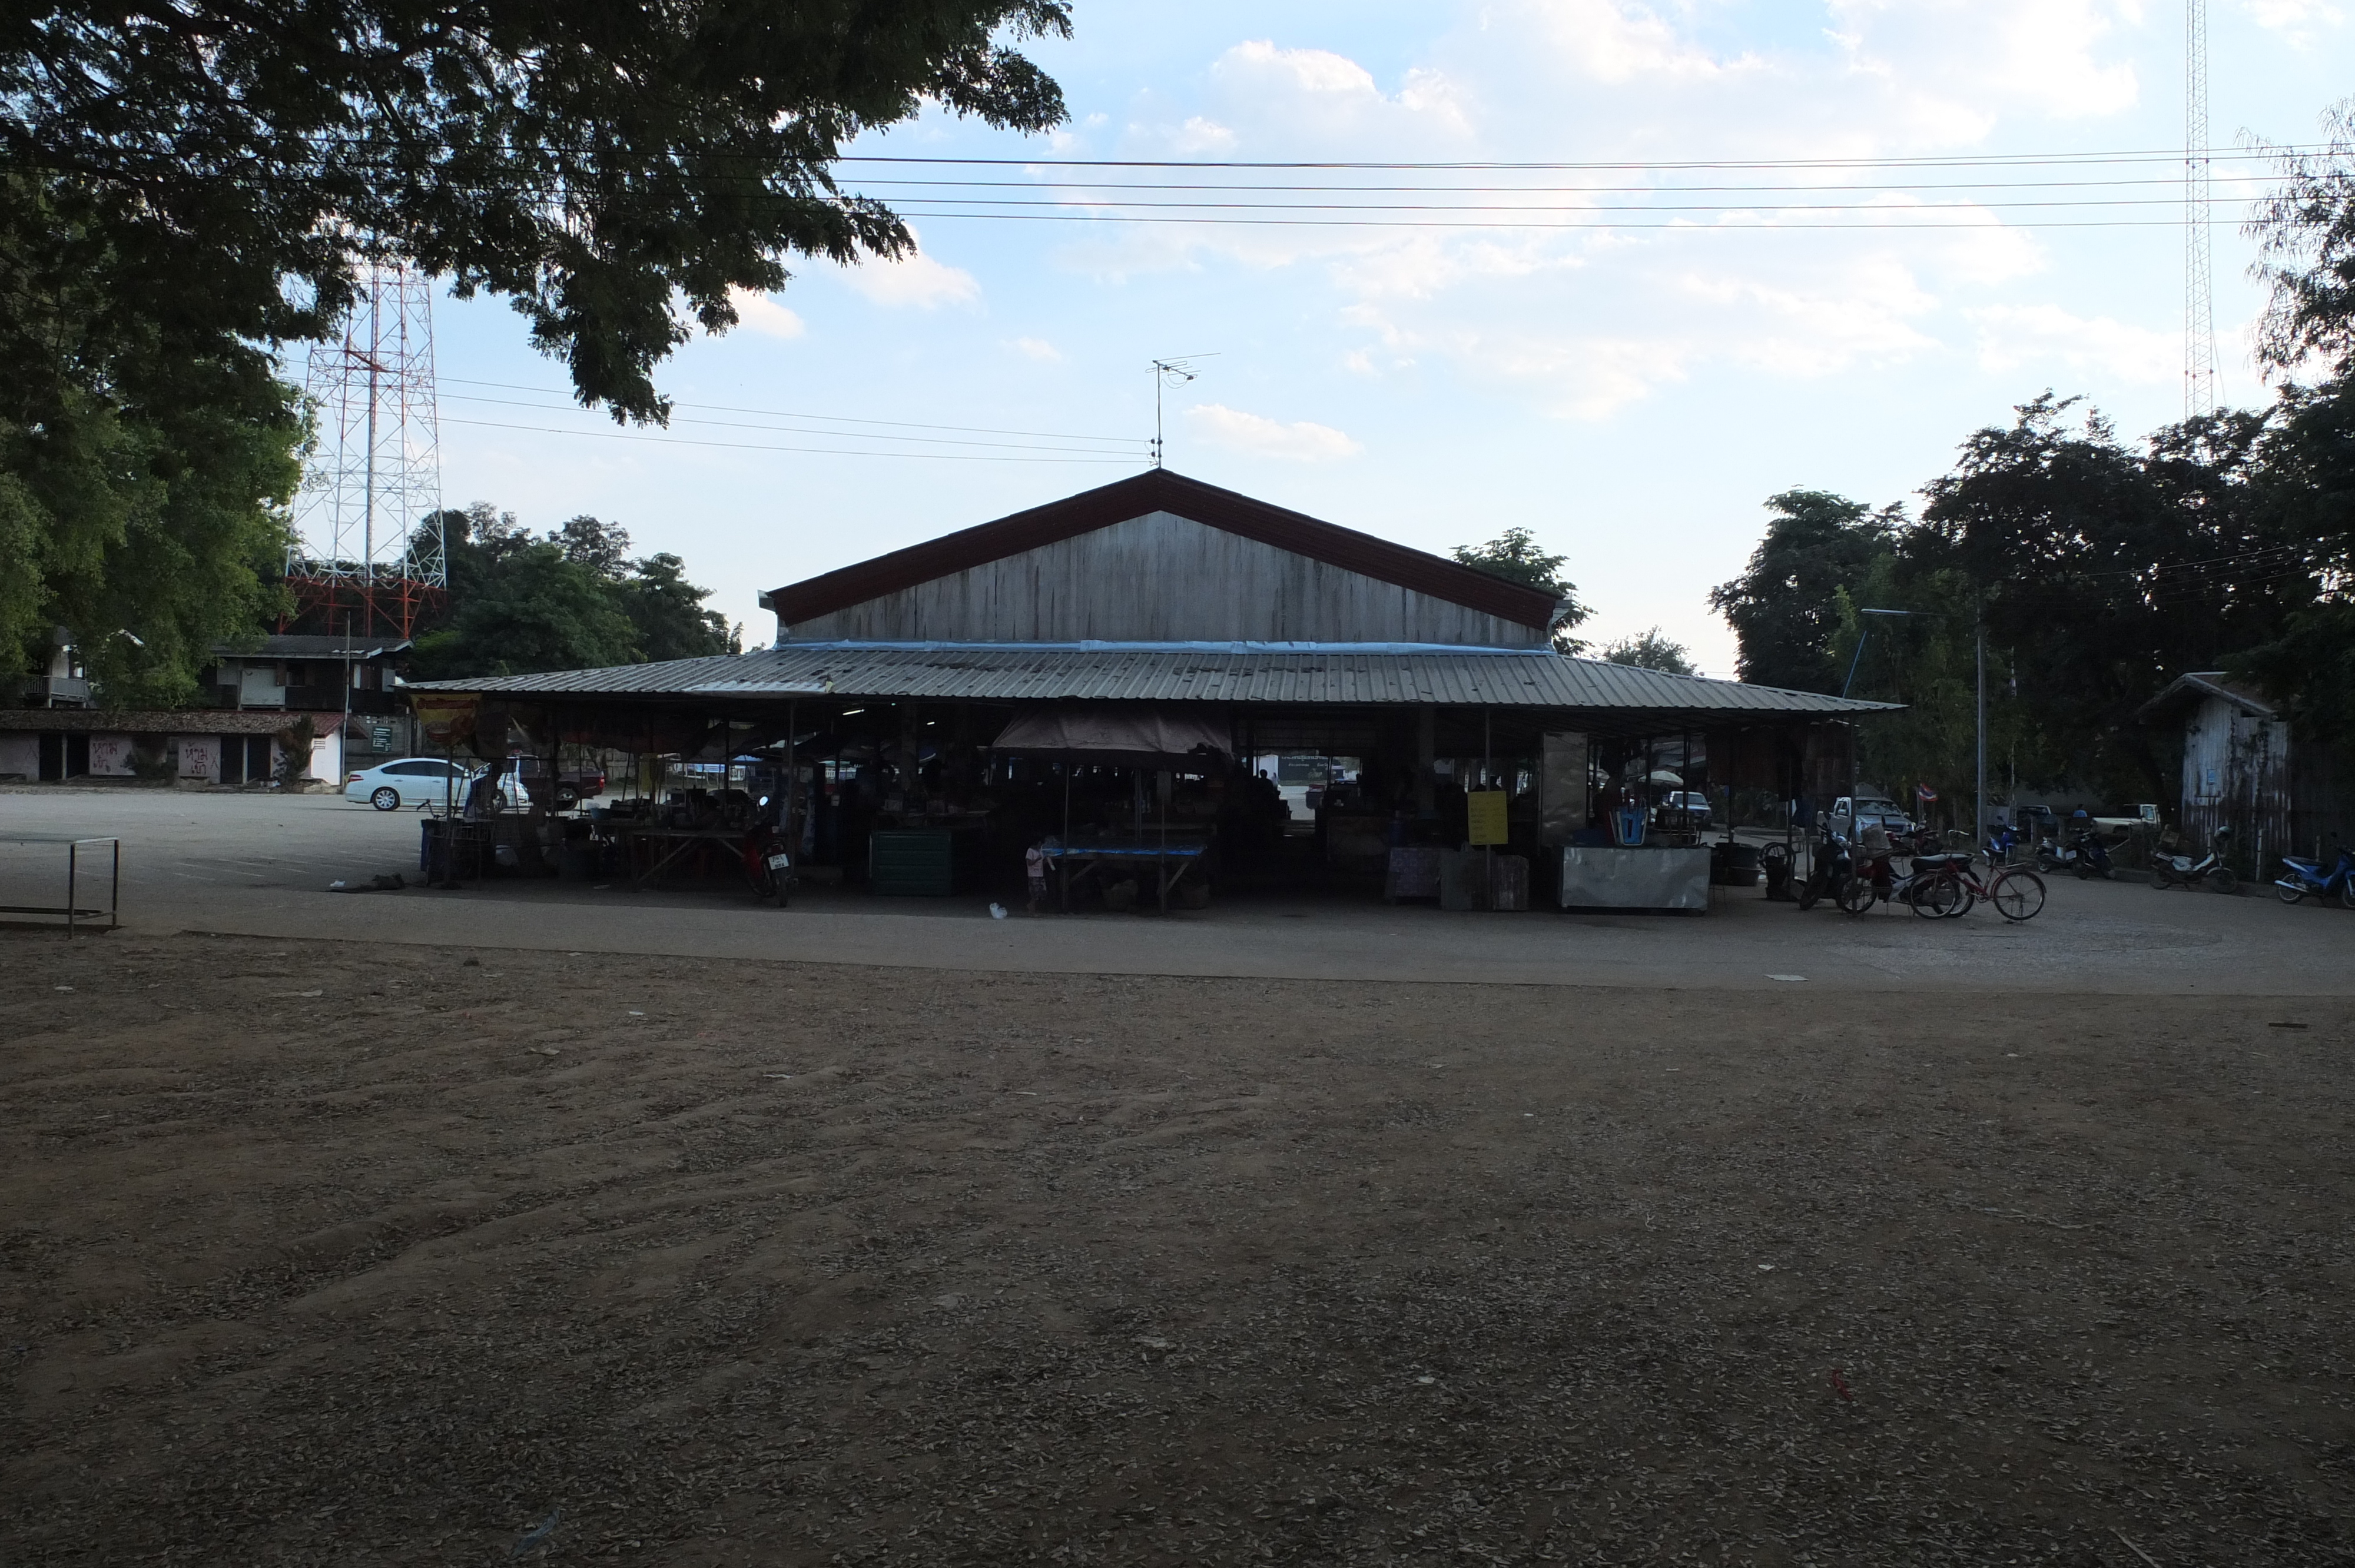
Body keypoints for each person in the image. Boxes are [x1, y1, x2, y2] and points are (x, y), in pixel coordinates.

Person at [1026, 841, 1050, 913]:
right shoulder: (1030, 850)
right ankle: (1032, 908)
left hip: (1040, 874)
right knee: (1034, 893)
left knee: (1042, 892)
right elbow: (1029, 863)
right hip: (1033, 874)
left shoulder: (1040, 850)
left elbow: (1041, 863)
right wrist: (1037, 859)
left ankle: (1033, 907)